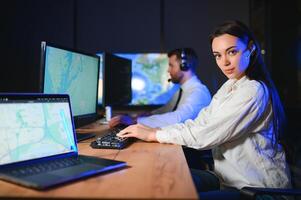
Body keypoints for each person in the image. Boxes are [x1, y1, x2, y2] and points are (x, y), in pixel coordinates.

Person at [117, 20, 292, 198]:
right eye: (217, 55)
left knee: (170, 193)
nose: (224, 62)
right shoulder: (230, 86)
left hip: (256, 189)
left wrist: (153, 134)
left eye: (232, 52)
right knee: (156, 178)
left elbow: (206, 133)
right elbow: (200, 122)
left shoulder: (253, 90)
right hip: (227, 178)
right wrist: (155, 130)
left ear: (251, 48)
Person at [109, 48, 211, 128]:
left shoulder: (198, 92)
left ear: (185, 65)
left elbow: (178, 118)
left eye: (171, 65)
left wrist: (135, 121)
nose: (168, 70)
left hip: (191, 151)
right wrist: (145, 114)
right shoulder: (182, 90)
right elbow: (166, 109)